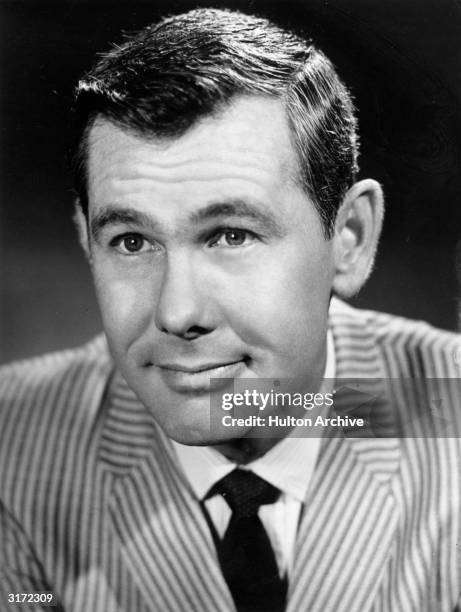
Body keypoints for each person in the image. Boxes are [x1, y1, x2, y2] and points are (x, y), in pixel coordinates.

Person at [1, 8, 460, 611]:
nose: (177, 312)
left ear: (349, 237)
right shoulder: (11, 446)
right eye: (132, 242)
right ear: (88, 243)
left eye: (231, 234)